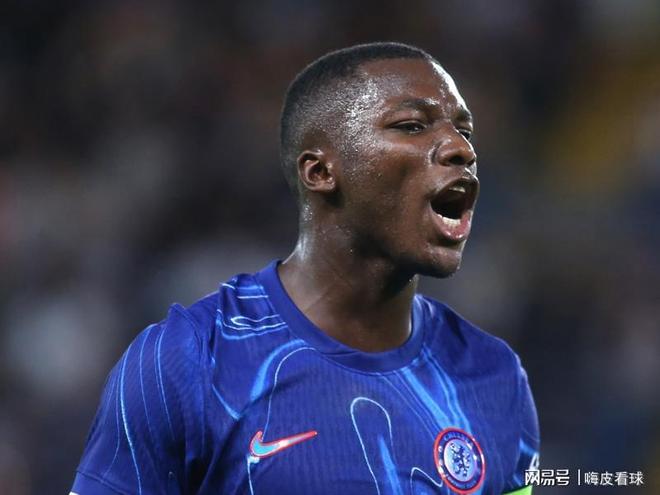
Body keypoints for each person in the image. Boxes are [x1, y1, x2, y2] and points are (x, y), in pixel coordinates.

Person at [70, 42, 539, 495]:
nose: (461, 149)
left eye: (465, 132)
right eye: (412, 125)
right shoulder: (189, 360)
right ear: (320, 172)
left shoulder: (495, 375)